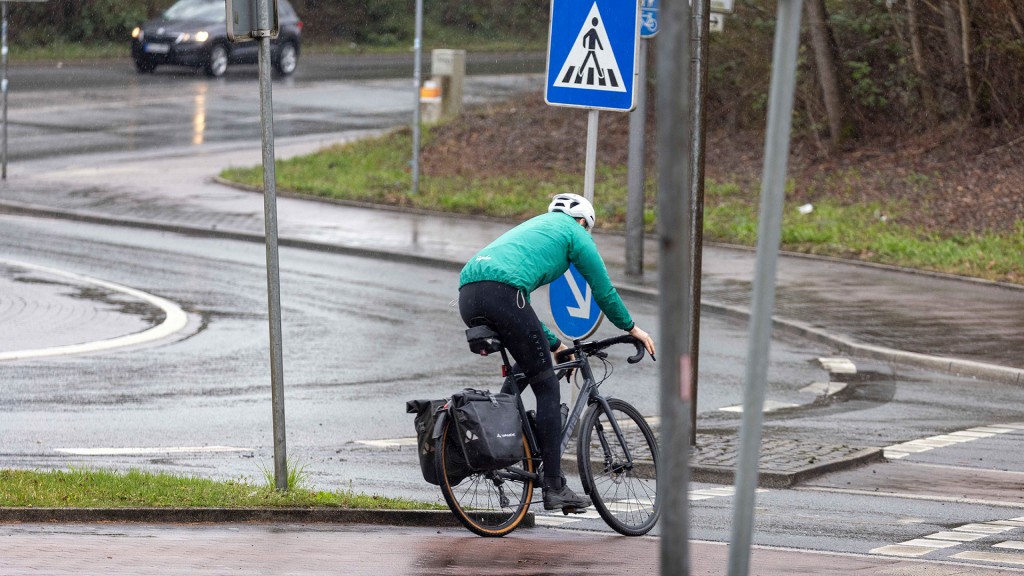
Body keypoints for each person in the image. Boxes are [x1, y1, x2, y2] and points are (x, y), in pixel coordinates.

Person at [458, 192, 656, 511]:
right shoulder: (575, 233)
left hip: (469, 293)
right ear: (583, 222)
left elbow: (524, 314)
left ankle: (498, 446)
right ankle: (554, 485)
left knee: (523, 371)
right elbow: (603, 291)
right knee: (547, 385)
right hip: (503, 295)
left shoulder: (537, 226)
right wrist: (632, 328)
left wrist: (556, 345)